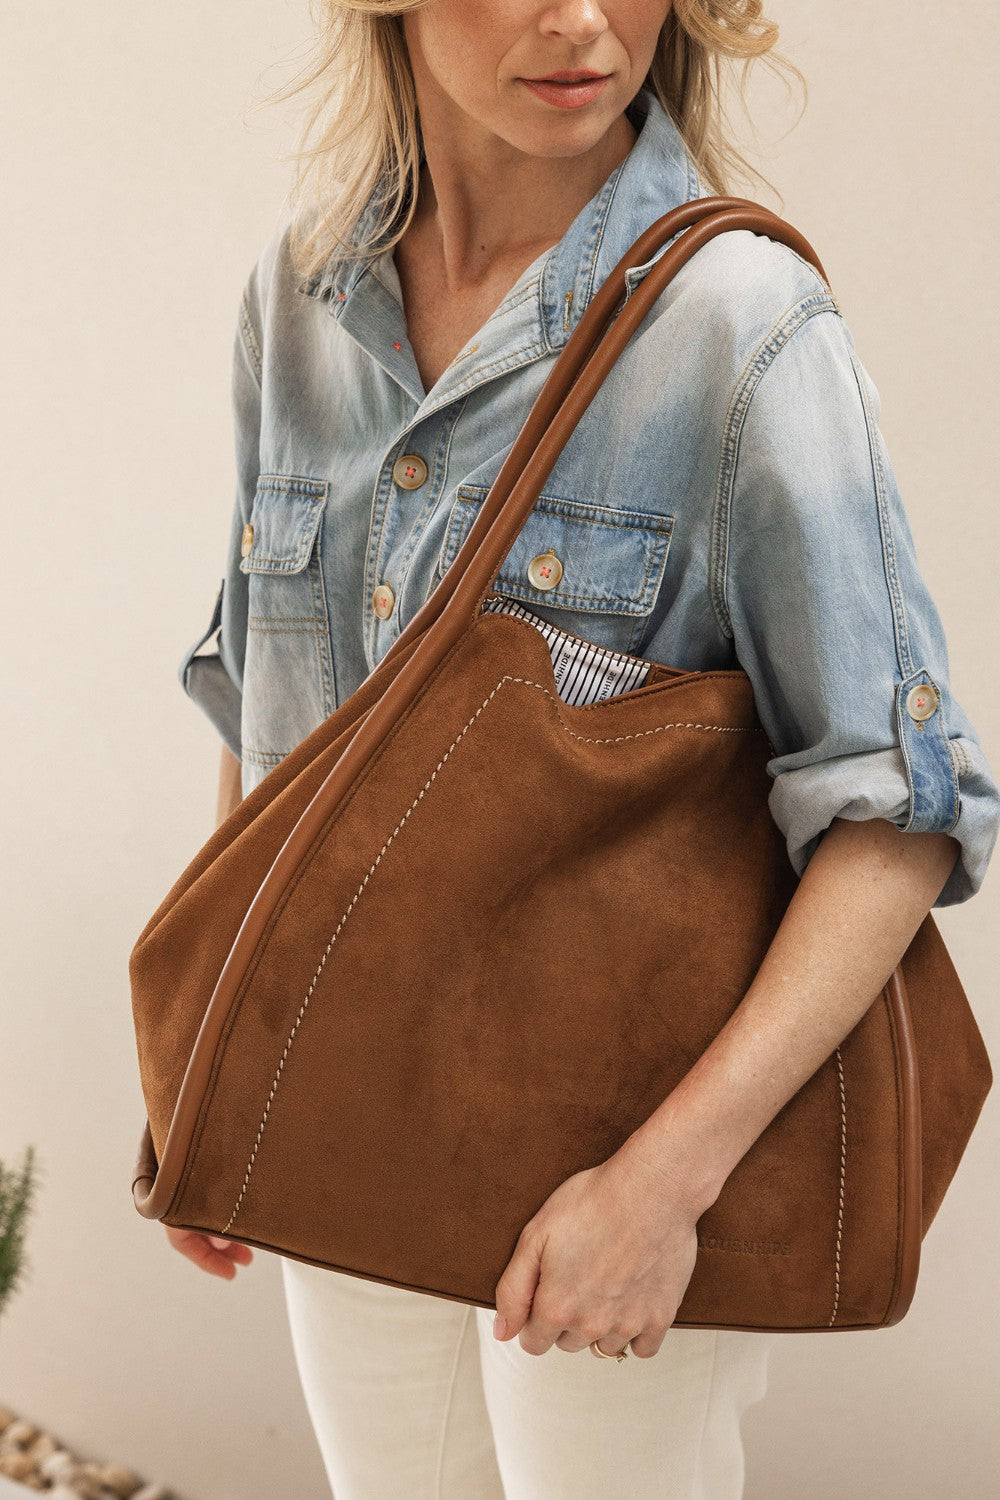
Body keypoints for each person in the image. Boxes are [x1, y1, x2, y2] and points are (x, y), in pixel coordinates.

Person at [163, 2, 1000, 1496]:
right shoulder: (303, 300)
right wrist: (222, 1061)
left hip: (620, 1163)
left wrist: (662, 1188)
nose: (583, 20)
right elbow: (266, 721)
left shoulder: (737, 323)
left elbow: (896, 811)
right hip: (349, 1119)